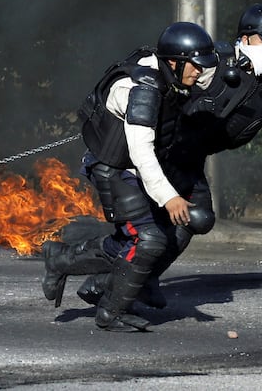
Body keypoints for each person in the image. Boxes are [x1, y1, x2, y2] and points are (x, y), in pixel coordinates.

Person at [65, 3, 262, 312]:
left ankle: (143, 279)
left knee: (198, 219)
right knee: (146, 235)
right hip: (160, 153)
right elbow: (161, 70)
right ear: (248, 38)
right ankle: (94, 279)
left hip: (190, 159)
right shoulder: (213, 63)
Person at [42, 21, 218, 331]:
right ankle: (110, 313)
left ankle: (60, 259)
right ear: (175, 62)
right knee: (148, 239)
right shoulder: (142, 91)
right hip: (114, 167)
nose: (199, 73)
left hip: (134, 169)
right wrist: (170, 197)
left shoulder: (173, 75)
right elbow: (141, 151)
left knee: (133, 240)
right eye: (195, 65)